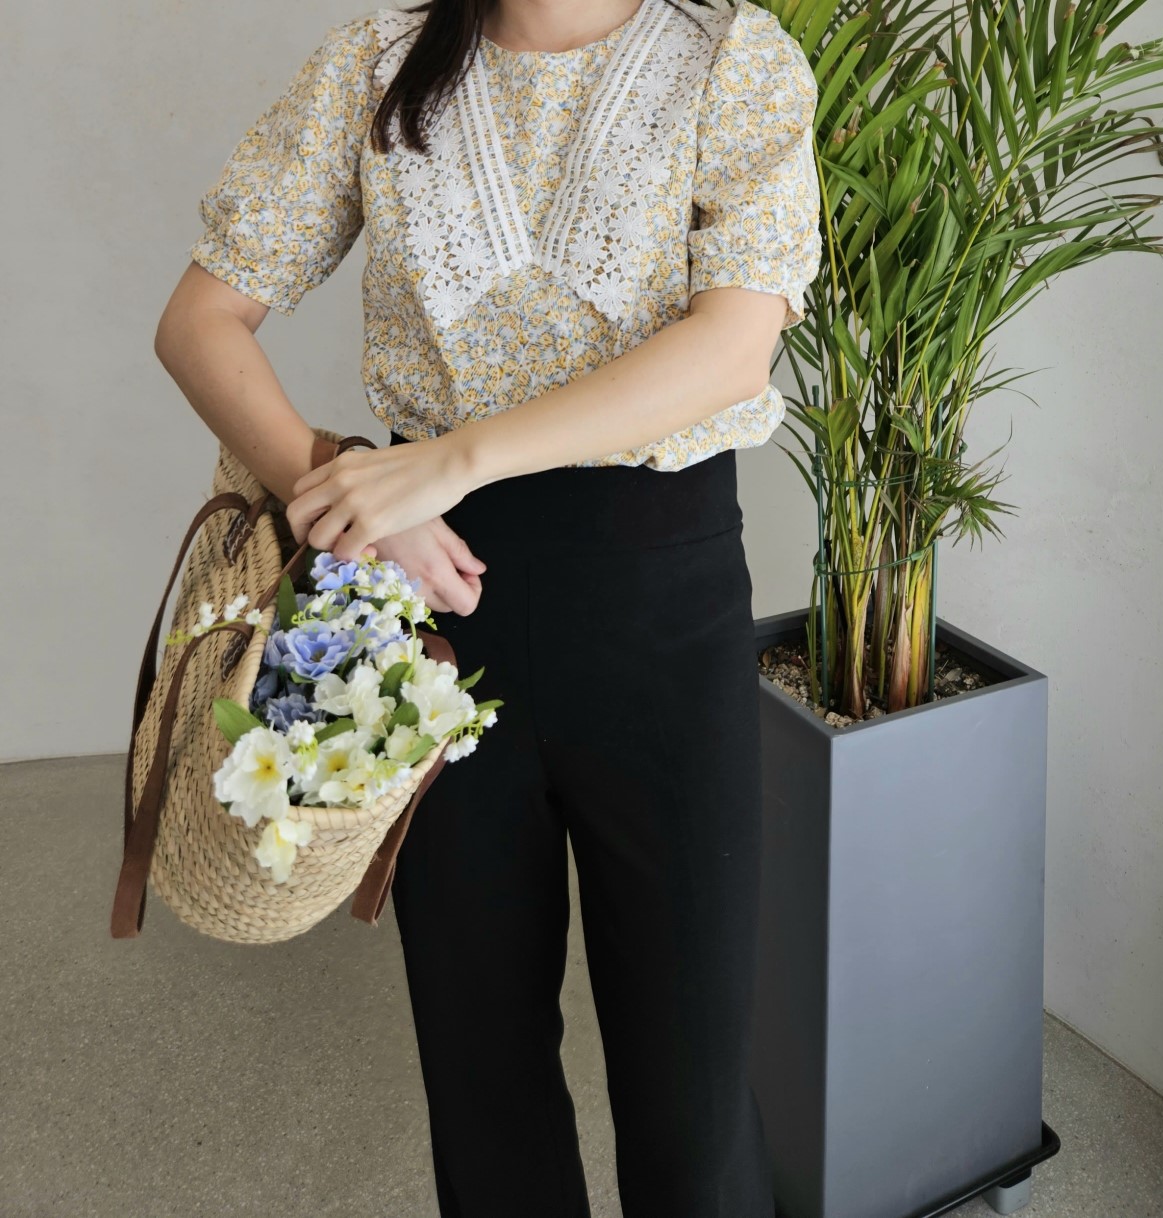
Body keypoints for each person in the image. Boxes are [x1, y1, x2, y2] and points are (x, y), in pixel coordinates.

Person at [151, 1, 822, 1214]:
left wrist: (451, 462)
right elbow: (199, 321)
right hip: (427, 615)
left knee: (694, 1096)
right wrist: (354, 497)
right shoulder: (379, 59)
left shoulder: (730, 56)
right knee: (479, 1073)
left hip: (658, 608)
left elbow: (733, 347)